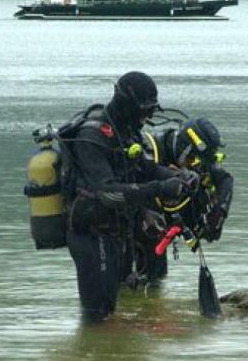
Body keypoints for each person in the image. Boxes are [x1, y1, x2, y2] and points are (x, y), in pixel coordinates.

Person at [62, 71, 198, 322]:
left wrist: (178, 176)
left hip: (117, 231)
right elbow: (109, 193)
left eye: (150, 111)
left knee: (115, 308)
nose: (146, 117)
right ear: (126, 103)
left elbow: (143, 168)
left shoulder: (126, 130)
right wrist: (161, 187)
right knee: (97, 318)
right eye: (144, 110)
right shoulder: (91, 137)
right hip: (91, 234)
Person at [132, 117, 233, 286]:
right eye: (191, 159)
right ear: (183, 148)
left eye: (198, 162)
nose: (193, 166)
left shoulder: (199, 159)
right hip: (129, 232)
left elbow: (225, 181)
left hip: (160, 235)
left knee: (156, 281)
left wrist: (219, 214)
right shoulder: (149, 152)